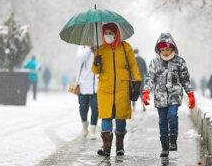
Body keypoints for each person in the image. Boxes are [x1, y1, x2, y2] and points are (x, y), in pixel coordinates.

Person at [142, 33, 196, 157]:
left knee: (172, 115)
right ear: (159, 49)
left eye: (167, 49)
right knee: (162, 121)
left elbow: (185, 79)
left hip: (175, 95)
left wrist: (190, 94)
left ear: (172, 48)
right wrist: (146, 91)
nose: (165, 52)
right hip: (160, 97)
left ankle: (173, 140)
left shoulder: (179, 62)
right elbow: (150, 78)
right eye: (163, 50)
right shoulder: (155, 62)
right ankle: (164, 146)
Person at [92, 23, 141, 157]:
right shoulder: (100, 49)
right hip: (105, 88)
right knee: (106, 116)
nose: (108, 35)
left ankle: (119, 145)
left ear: (116, 33)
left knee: (120, 117)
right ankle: (106, 147)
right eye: (106, 33)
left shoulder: (126, 47)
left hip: (122, 87)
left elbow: (133, 65)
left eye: (111, 32)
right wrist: (96, 62)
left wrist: (138, 80)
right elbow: (95, 70)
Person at [76, 46, 99, 139]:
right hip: (83, 83)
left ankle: (92, 130)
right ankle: (85, 126)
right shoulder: (83, 47)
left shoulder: (100, 48)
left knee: (95, 107)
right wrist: (89, 48)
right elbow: (80, 58)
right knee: (83, 108)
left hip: (97, 84)